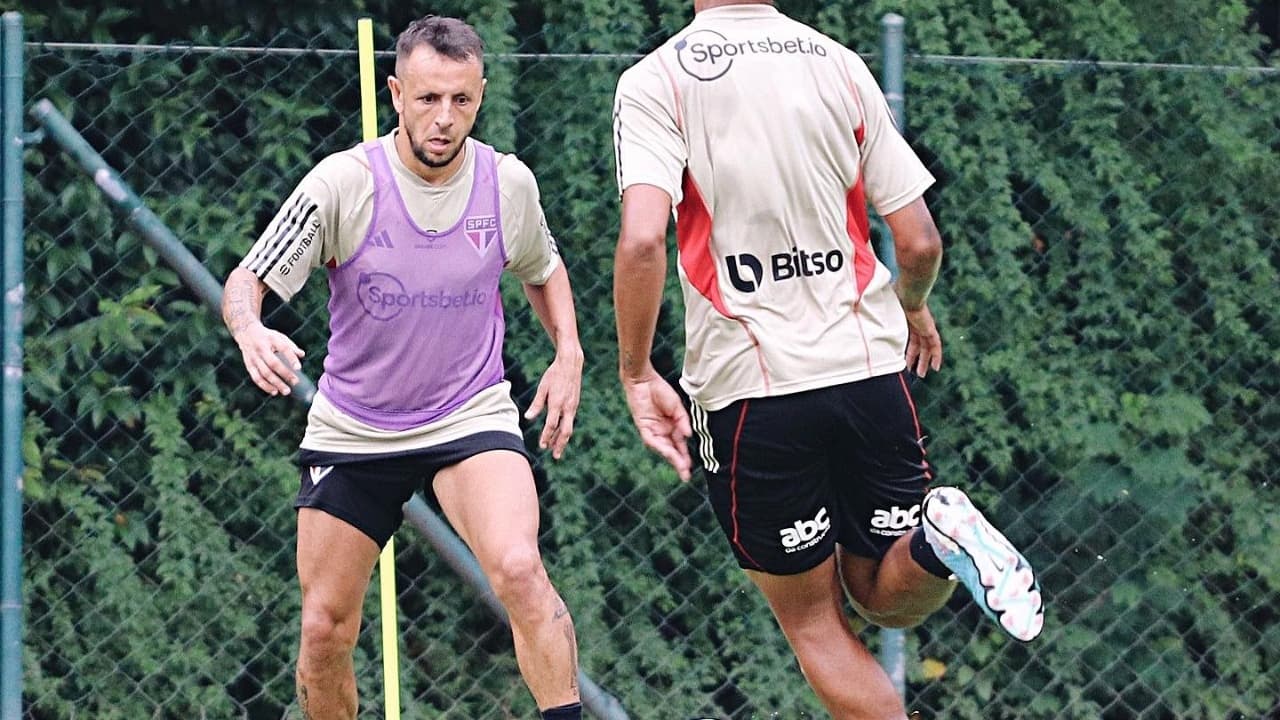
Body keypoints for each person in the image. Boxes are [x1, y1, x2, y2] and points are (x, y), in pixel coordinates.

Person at [611, 2, 1044, 718]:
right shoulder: (838, 63)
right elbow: (920, 242)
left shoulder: (657, 79)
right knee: (885, 599)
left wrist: (634, 371)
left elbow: (641, 243)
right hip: (871, 374)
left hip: (754, 392)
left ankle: (939, 537)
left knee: (815, 622)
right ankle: (940, 538)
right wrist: (910, 304)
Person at [222, 16, 584, 720]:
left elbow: (543, 267)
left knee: (518, 568)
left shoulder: (506, 184)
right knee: (324, 628)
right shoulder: (343, 183)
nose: (444, 119)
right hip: (357, 428)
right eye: (427, 99)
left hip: (468, 413)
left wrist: (568, 351)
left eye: (461, 100)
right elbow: (249, 279)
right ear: (395, 92)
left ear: (480, 95)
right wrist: (249, 328)